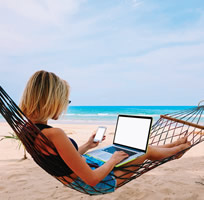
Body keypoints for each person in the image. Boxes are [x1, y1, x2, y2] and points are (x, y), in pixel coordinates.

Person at [19, 70, 191, 194]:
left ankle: (174, 145)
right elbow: (92, 180)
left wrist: (88, 145)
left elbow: (60, 159)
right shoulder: (55, 134)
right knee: (144, 151)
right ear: (52, 100)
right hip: (96, 183)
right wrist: (113, 160)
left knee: (137, 148)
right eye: (65, 100)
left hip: (79, 172)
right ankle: (177, 151)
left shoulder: (28, 131)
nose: (65, 105)